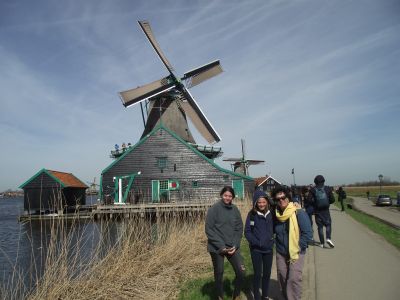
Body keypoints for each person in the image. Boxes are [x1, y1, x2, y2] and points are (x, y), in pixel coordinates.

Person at [205, 186, 245, 300]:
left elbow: (239, 228)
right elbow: (209, 229)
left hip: (232, 246)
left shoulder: (235, 209)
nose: (227, 198)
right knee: (219, 273)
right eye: (225, 195)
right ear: (221, 195)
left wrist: (235, 244)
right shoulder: (214, 209)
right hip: (216, 247)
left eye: (230, 196)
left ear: (233, 197)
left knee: (241, 272)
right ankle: (220, 297)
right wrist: (221, 246)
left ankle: (236, 295)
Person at [272, 186, 312, 300]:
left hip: (297, 251)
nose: (281, 200)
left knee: (293, 278)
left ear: (288, 198)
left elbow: (308, 233)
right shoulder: (276, 214)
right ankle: (286, 297)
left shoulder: (298, 212)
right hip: (281, 251)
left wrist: (299, 246)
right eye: (278, 199)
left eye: (283, 197)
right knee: (282, 276)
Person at [245, 190, 274, 300]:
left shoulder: (271, 213)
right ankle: (256, 296)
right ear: (255, 203)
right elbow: (247, 232)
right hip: (256, 250)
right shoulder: (251, 214)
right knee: (257, 274)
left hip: (269, 249)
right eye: (259, 202)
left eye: (263, 202)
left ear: (267, 202)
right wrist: (257, 242)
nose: (261, 204)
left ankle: (265, 295)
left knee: (267, 274)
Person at [307, 175, 335, 248]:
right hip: (326, 211)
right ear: (323, 181)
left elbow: (309, 200)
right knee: (328, 225)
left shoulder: (312, 190)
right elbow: (333, 200)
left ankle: (322, 243)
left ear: (315, 182)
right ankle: (328, 238)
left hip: (317, 211)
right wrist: (327, 202)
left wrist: (315, 203)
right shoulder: (327, 188)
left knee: (320, 227)